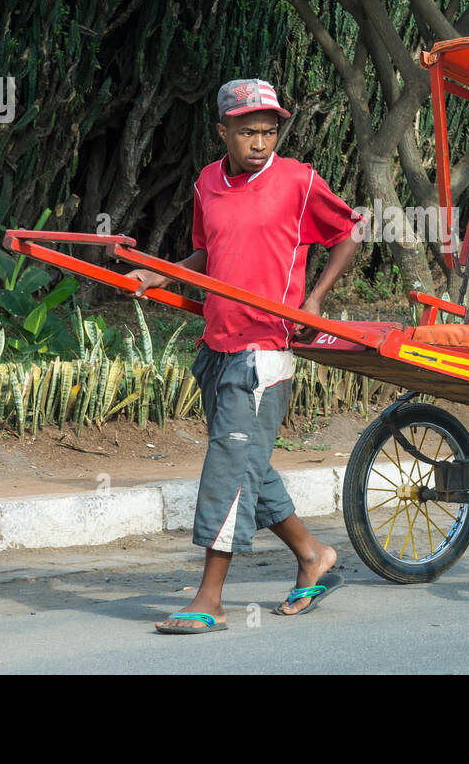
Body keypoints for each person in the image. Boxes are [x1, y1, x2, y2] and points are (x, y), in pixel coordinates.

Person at [129, 78, 362, 634]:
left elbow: (351, 230)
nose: (260, 142)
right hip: (217, 345)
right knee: (247, 466)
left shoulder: (298, 181)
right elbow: (209, 250)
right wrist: (161, 272)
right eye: (247, 131)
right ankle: (313, 556)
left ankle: (209, 599)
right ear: (222, 132)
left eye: (269, 131)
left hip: (265, 352)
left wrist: (315, 297)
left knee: (229, 467)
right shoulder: (206, 182)